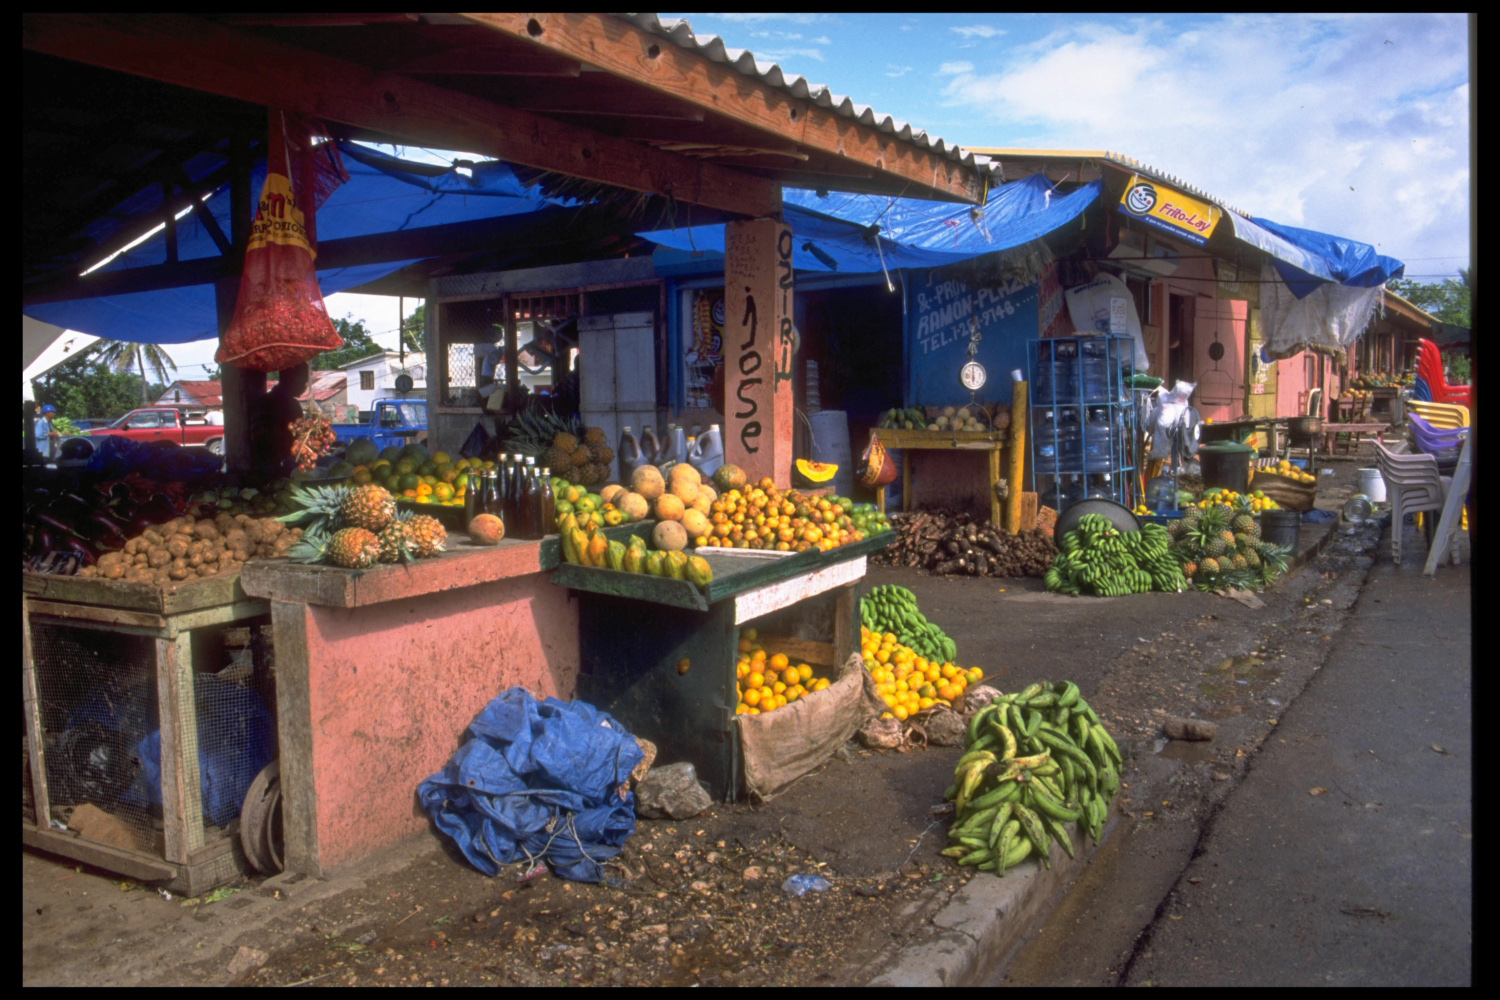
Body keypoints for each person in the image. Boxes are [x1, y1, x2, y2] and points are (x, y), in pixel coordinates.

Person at [250, 363, 310, 476]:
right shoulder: (291, 405)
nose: (305, 386)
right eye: (303, 381)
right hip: (282, 468)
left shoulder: (263, 400)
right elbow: (298, 438)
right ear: (292, 379)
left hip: (262, 464)